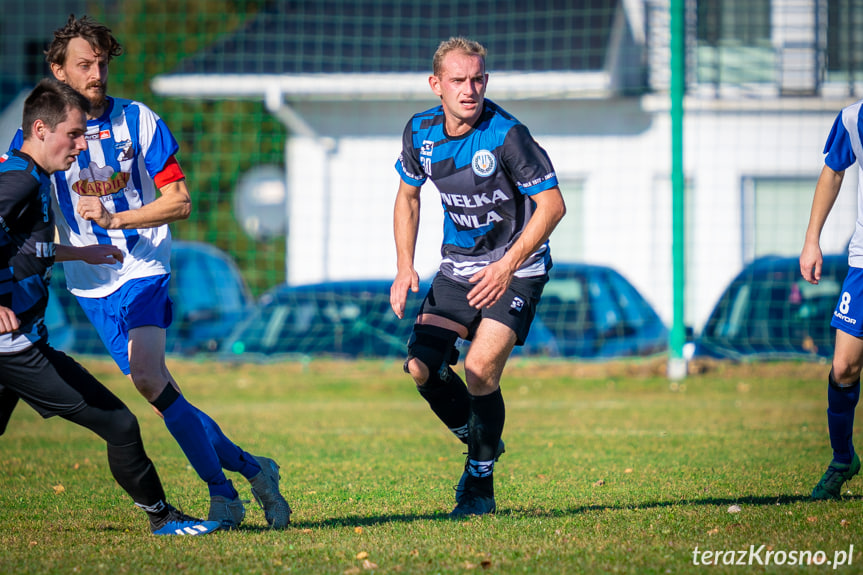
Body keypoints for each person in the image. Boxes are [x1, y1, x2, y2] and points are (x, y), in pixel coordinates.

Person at [9, 14, 291, 529]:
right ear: (58, 70)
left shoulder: (139, 121)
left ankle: (222, 496)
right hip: (91, 287)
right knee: (161, 395)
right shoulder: (42, 133)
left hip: (142, 267)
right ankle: (254, 469)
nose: (97, 73)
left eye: (102, 63)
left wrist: (118, 218)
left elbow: (179, 202)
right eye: (83, 65)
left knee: (146, 375)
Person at [0, 78, 220, 536]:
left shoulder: (32, 176)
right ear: (39, 129)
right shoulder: (20, 180)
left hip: (23, 339)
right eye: (74, 135)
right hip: (15, 346)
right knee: (120, 424)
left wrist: (79, 253)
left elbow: (21, 249)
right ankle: (164, 518)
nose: (83, 146)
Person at [389, 37, 566, 517]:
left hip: (518, 268)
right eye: (458, 80)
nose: (470, 89)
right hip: (457, 267)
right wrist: (405, 266)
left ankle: (479, 483)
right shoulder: (420, 132)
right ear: (436, 85)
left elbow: (553, 207)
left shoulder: (507, 135)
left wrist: (508, 264)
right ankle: (481, 439)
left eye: (478, 79)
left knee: (480, 370)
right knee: (422, 368)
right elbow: (408, 198)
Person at [800, 101, 863, 500]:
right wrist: (812, 240)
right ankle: (843, 459)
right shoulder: (855, 118)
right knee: (843, 366)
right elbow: (833, 170)